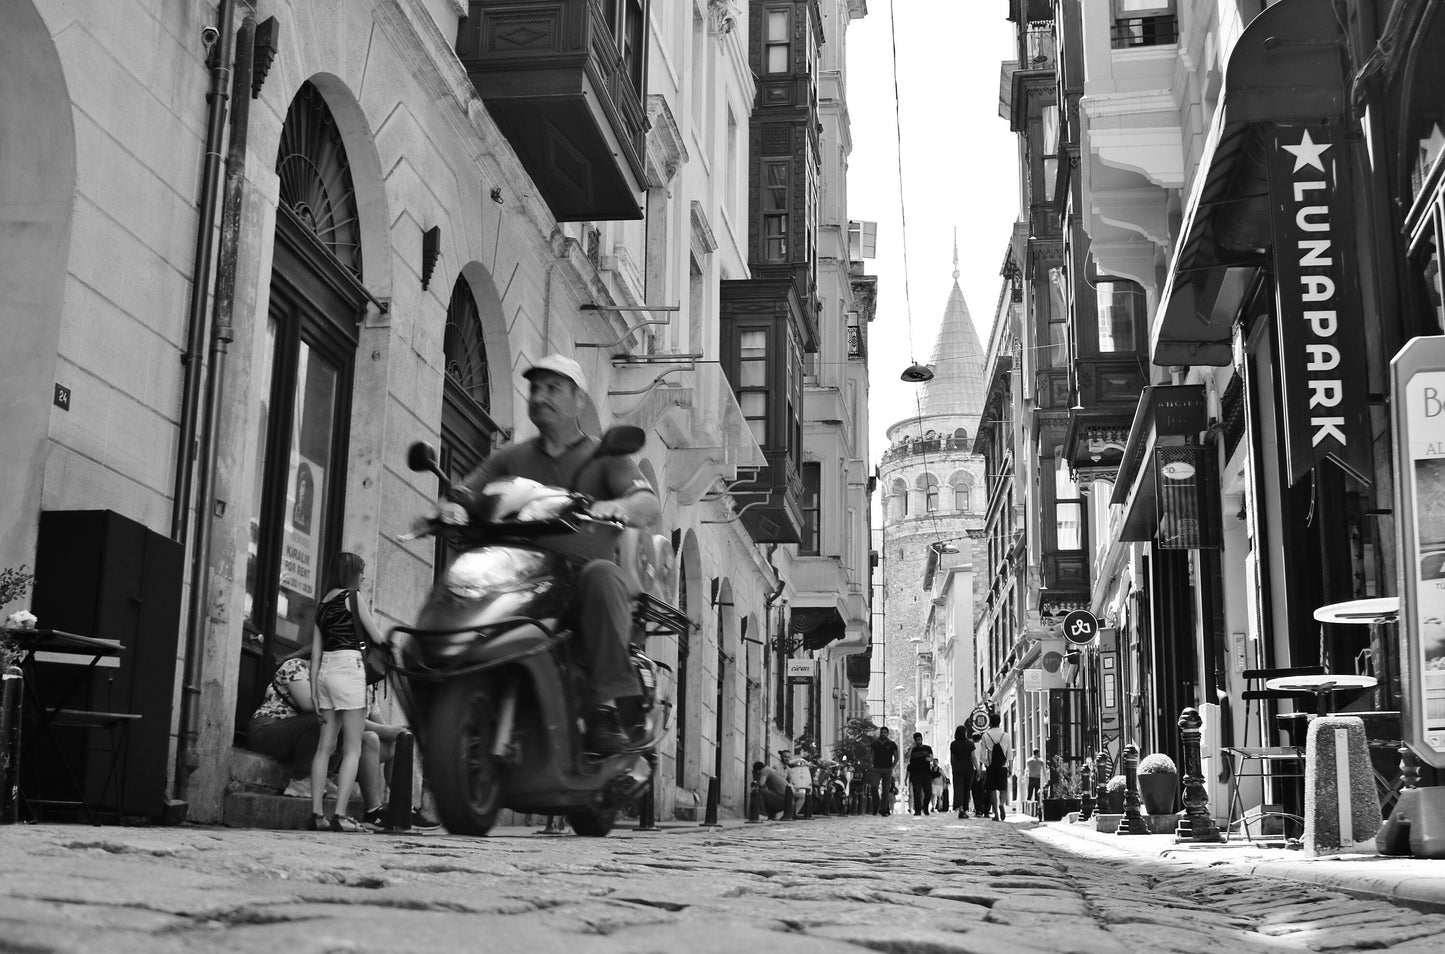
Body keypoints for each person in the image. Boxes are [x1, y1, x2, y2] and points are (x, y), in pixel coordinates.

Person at [439, 354, 660, 755]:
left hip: (576, 580)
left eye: (553, 388)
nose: (540, 396)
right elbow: (469, 490)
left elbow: (647, 502)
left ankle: (603, 707)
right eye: (535, 388)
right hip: (519, 574)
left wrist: (622, 508)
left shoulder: (605, 456)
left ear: (579, 400)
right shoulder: (512, 456)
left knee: (603, 575)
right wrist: (453, 507)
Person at [248, 650, 439, 832]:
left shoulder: (366, 687)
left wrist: (398, 732)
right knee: (330, 719)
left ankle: (405, 810)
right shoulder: (296, 666)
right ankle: (301, 780)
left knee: (399, 742)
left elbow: (379, 725)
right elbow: (309, 705)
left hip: (308, 740)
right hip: (269, 730)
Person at [308, 552, 384, 832]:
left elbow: (315, 653)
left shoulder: (322, 604)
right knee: (353, 746)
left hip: (326, 671)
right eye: (361, 571)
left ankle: (317, 815)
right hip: (350, 667)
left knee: (324, 748)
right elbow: (376, 637)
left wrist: (315, 691)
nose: (363, 576)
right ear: (351, 573)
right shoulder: (353, 597)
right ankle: (340, 815)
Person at [979, 711, 1011, 821]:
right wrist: (1009, 766)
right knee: (1003, 788)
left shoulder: (986, 735)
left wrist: (981, 766)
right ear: (1000, 722)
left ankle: (996, 813)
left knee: (991, 789)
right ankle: (1002, 803)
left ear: (990, 723)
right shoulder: (1006, 735)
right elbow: (1009, 753)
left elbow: (983, 754)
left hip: (991, 767)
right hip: (1003, 765)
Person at [868, 727, 899, 816]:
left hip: (887, 769)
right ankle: (876, 804)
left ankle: (884, 809)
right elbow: (871, 755)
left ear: (887, 733)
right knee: (874, 787)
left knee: (886, 790)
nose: (883, 734)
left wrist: (892, 767)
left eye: (885, 732)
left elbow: (896, 756)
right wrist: (870, 766)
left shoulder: (892, 744)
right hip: (876, 769)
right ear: (880, 733)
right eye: (882, 732)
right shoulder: (875, 743)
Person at [905, 732, 935, 816]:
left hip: (926, 773)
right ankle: (917, 810)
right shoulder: (912, 749)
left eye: (919, 739)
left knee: (928, 792)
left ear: (922, 739)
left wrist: (929, 759)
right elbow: (906, 757)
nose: (918, 741)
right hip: (915, 774)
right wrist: (911, 748)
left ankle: (925, 807)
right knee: (917, 793)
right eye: (916, 740)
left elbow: (932, 757)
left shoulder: (927, 748)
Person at [949, 725, 975, 818]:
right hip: (968, 769)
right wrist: (978, 769)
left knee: (958, 789)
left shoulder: (953, 744)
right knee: (966, 789)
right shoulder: (970, 744)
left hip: (957, 769)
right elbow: (973, 758)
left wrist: (953, 768)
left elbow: (952, 758)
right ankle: (964, 808)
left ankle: (960, 808)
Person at [1025, 748, 1045, 817]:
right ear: (1038, 753)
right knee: (1037, 795)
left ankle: (1027, 810)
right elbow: (1043, 765)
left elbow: (1027, 768)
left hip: (1031, 778)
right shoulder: (1040, 761)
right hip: (1037, 778)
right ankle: (1036, 811)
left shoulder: (1028, 761)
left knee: (1029, 794)